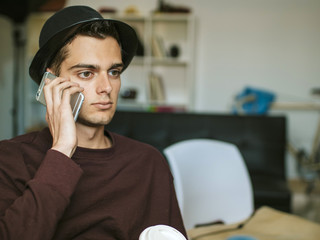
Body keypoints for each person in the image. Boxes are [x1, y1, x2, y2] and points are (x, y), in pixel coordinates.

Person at [0, 5, 187, 240]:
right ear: (50, 83)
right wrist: (62, 151)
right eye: (86, 73)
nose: (107, 87)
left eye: (114, 72)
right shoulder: (9, 159)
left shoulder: (148, 162)